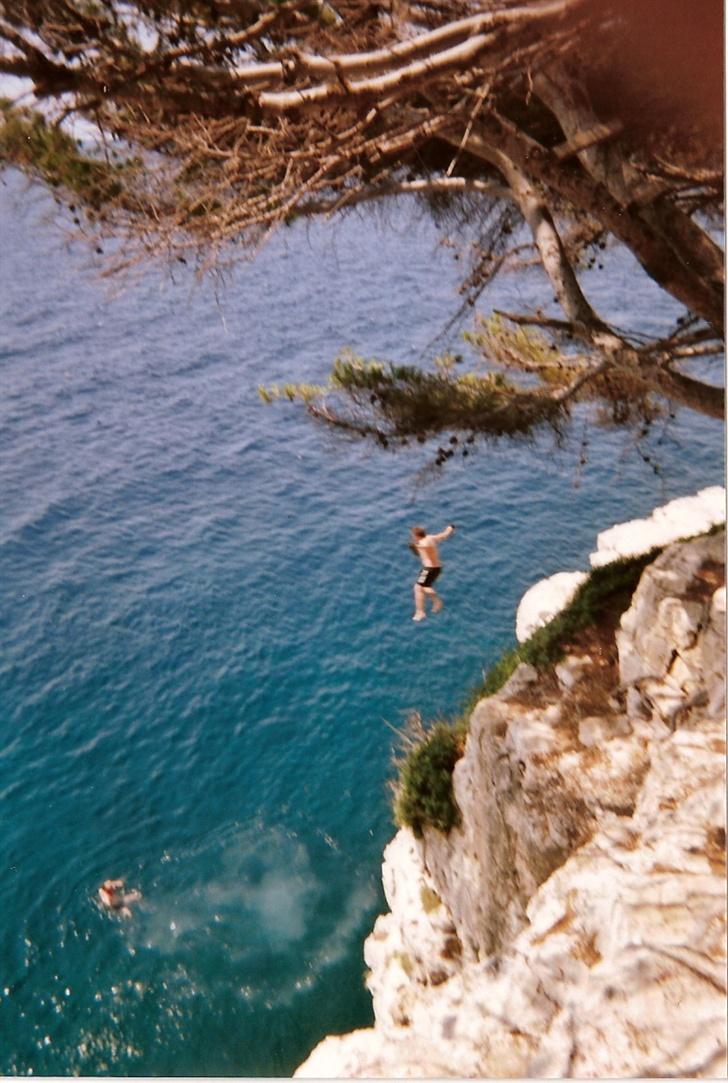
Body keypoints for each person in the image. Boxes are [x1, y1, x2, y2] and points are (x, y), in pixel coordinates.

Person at [410, 523, 455, 621]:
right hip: (437, 568)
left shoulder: (421, 544)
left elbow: (421, 547)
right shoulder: (431, 538)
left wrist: (414, 546)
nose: (412, 538)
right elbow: (443, 535)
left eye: (413, 536)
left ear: (416, 536)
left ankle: (421, 611)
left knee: (418, 588)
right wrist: (450, 529)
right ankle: (437, 603)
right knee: (425, 587)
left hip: (428, 569)